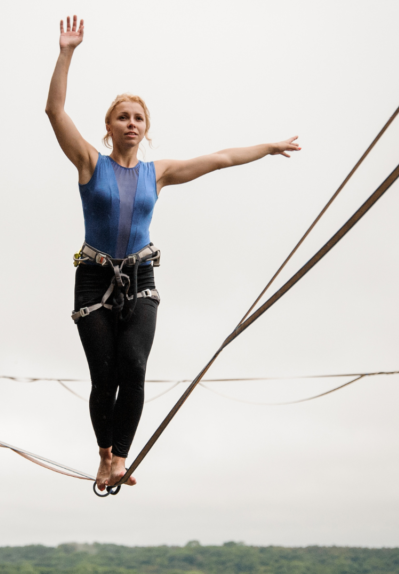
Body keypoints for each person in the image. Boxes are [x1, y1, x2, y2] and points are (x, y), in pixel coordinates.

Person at [45, 15, 301, 492]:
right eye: (123, 117)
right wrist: (67, 53)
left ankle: (119, 460)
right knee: (105, 378)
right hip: (94, 277)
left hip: (140, 275)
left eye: (138, 118)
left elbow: (220, 159)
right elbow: (54, 112)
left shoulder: (156, 174)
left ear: (146, 129)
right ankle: (104, 455)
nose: (131, 123)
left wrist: (267, 147)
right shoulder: (88, 162)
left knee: (134, 367)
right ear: (109, 127)